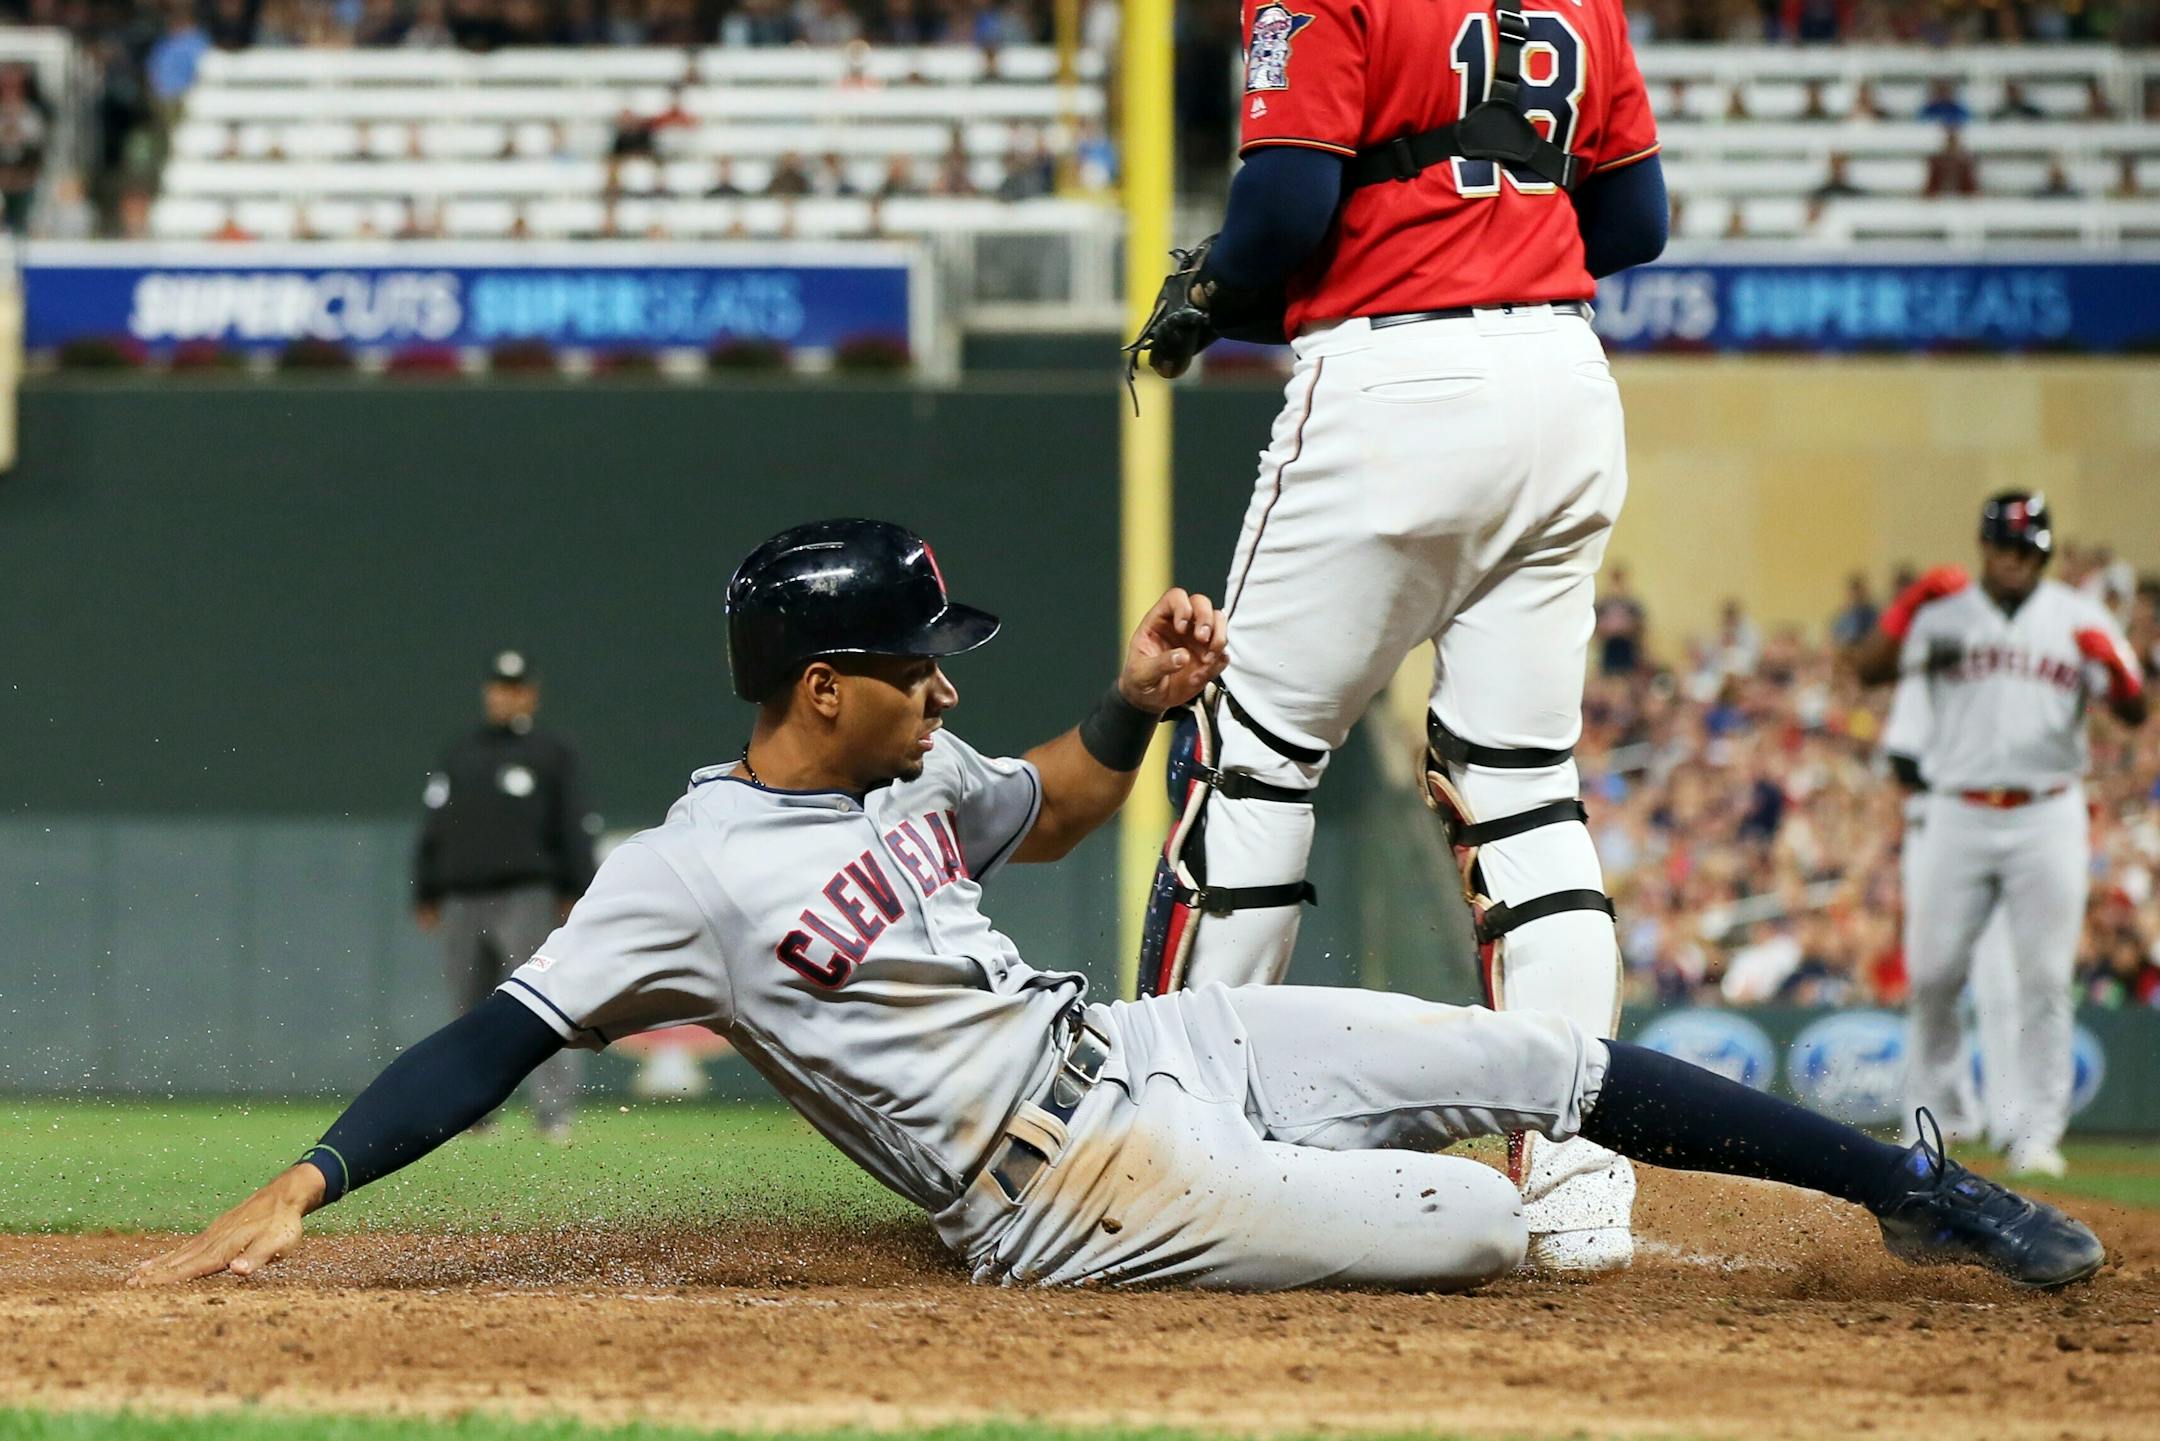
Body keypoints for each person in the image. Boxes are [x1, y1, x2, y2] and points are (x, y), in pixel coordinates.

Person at [129, 519, 2103, 1293]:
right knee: (1488, 1222)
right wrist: (304, 1178)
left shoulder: (915, 779)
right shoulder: (679, 874)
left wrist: (1136, 707)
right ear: (826, 688)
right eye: (918, 662)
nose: (945, 683)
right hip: (1061, 1192)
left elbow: (1056, 814)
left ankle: (1922, 1191)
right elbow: (497, 1037)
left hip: (1155, 1046)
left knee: (1543, 1059)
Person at [1123, 0, 1668, 1276]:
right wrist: (1491, 234)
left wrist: (1218, 287)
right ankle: (1579, 1174)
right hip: (1566, 380)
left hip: (1393, 377)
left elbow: (1281, 215)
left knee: (1249, 751)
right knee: (1526, 792)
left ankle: (1174, 1131)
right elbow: (1637, 223)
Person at [1848, 493, 2149, 1178]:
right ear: (1985, 546)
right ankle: (1939, 1121)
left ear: (2041, 554)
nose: (2015, 560)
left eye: (2029, 549)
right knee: (1933, 976)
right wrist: (1908, 603)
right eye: (2006, 546)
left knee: (2044, 978)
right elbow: (1868, 668)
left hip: (2048, 810)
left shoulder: (2078, 617)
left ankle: (2036, 1132)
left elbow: (2133, 710)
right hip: (1957, 809)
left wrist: (2121, 668)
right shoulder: (1946, 614)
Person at [413, 650, 598, 1142]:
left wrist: (575, 888)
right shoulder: (461, 753)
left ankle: (554, 1111)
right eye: (497, 686)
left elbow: (571, 824)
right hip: (462, 897)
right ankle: (474, 1114)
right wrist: (426, 888)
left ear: (530, 695)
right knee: (468, 1009)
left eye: (514, 687)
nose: (503, 695)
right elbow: (434, 826)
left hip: (527, 894)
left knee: (540, 1003)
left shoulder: (551, 752)